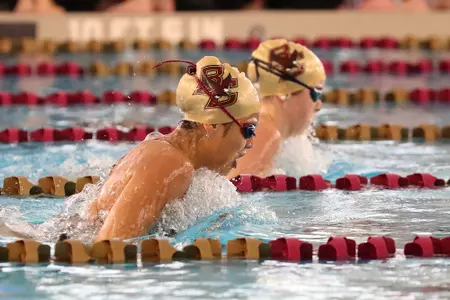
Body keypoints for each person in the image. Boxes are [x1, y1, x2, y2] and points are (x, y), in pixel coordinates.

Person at [84, 56, 260, 241]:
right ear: (212, 125)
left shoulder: (168, 154)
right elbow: (109, 249)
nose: (250, 143)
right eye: (248, 130)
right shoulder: (170, 164)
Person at [227, 39, 326, 179]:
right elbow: (237, 189)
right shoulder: (265, 134)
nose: (318, 105)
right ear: (285, 93)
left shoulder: (260, 126)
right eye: (316, 93)